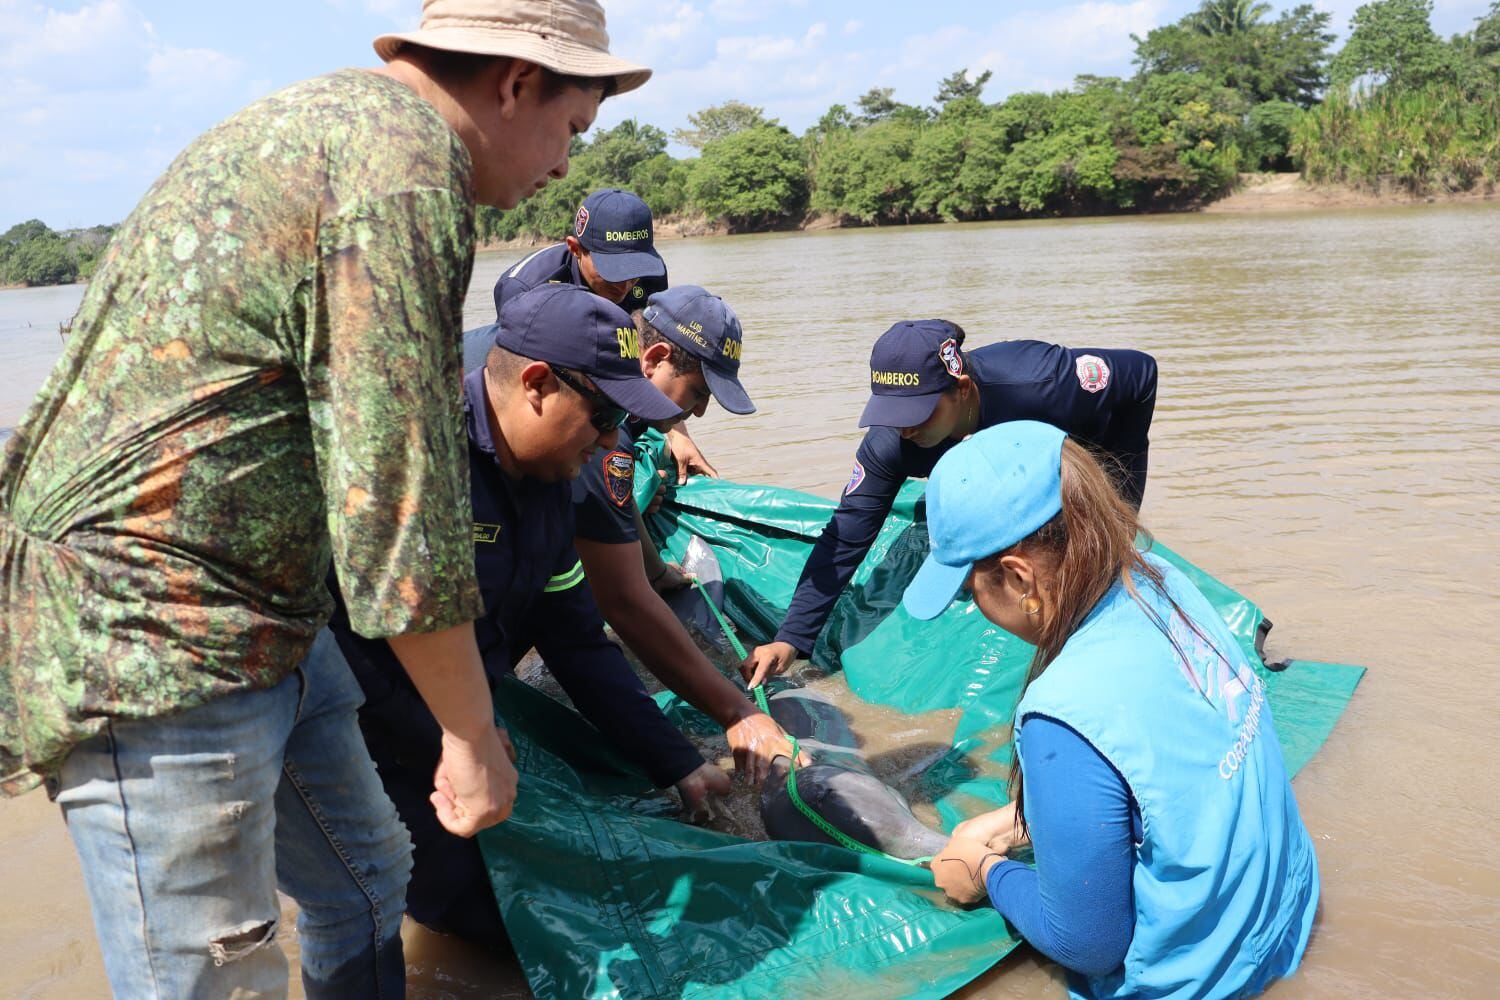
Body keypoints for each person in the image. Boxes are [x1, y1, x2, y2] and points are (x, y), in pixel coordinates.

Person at [0, 1, 649, 995]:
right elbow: (394, 493)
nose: (566, 165)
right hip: (153, 622)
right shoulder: (402, 176)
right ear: (516, 82)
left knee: (365, 876)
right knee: (212, 966)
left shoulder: (337, 123)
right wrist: (472, 736)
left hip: (269, 601)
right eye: (572, 127)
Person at [327, 283, 725, 942]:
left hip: (447, 712)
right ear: (536, 384)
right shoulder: (414, 459)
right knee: (456, 916)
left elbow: (576, 641)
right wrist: (462, 735)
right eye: (603, 416)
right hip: (344, 718)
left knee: (549, 902)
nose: (610, 442)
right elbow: (348, 643)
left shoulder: (548, 482)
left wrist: (678, 763)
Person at [913, 422, 1318, 999]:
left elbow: (1088, 944)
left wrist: (987, 873)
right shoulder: (1164, 580)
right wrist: (1017, 820)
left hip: (1207, 980)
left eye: (967, 588)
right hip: (1288, 911)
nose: (972, 605)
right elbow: (1174, 774)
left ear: (1019, 577)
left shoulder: (1061, 715)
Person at [743, 320, 1158, 687]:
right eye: (892, 411)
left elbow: (1141, 375)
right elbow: (846, 534)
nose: (905, 429)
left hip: (1054, 451)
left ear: (962, 389)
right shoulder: (891, 442)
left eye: (917, 412)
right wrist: (791, 638)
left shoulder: (1039, 382)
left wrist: (1116, 509)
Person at [573, 285, 804, 784]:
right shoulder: (595, 418)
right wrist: (738, 713)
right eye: (698, 393)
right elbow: (623, 602)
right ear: (654, 358)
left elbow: (615, 507)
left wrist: (656, 570)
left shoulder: (613, 391)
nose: (698, 415)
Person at [464, 188, 717, 485]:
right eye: (613, 270)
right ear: (575, 248)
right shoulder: (526, 288)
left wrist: (675, 432)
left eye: (635, 269)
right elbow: (525, 384)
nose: (626, 283)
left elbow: (643, 358)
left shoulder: (650, 277)